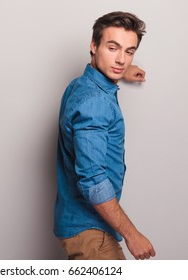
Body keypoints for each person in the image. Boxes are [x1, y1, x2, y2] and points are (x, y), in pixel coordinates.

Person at [54, 11, 156, 260]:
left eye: (129, 52)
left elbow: (114, 67)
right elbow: (93, 182)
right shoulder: (95, 103)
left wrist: (122, 72)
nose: (121, 59)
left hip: (75, 222)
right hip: (91, 233)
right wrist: (133, 235)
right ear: (93, 45)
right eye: (113, 48)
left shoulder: (79, 85)